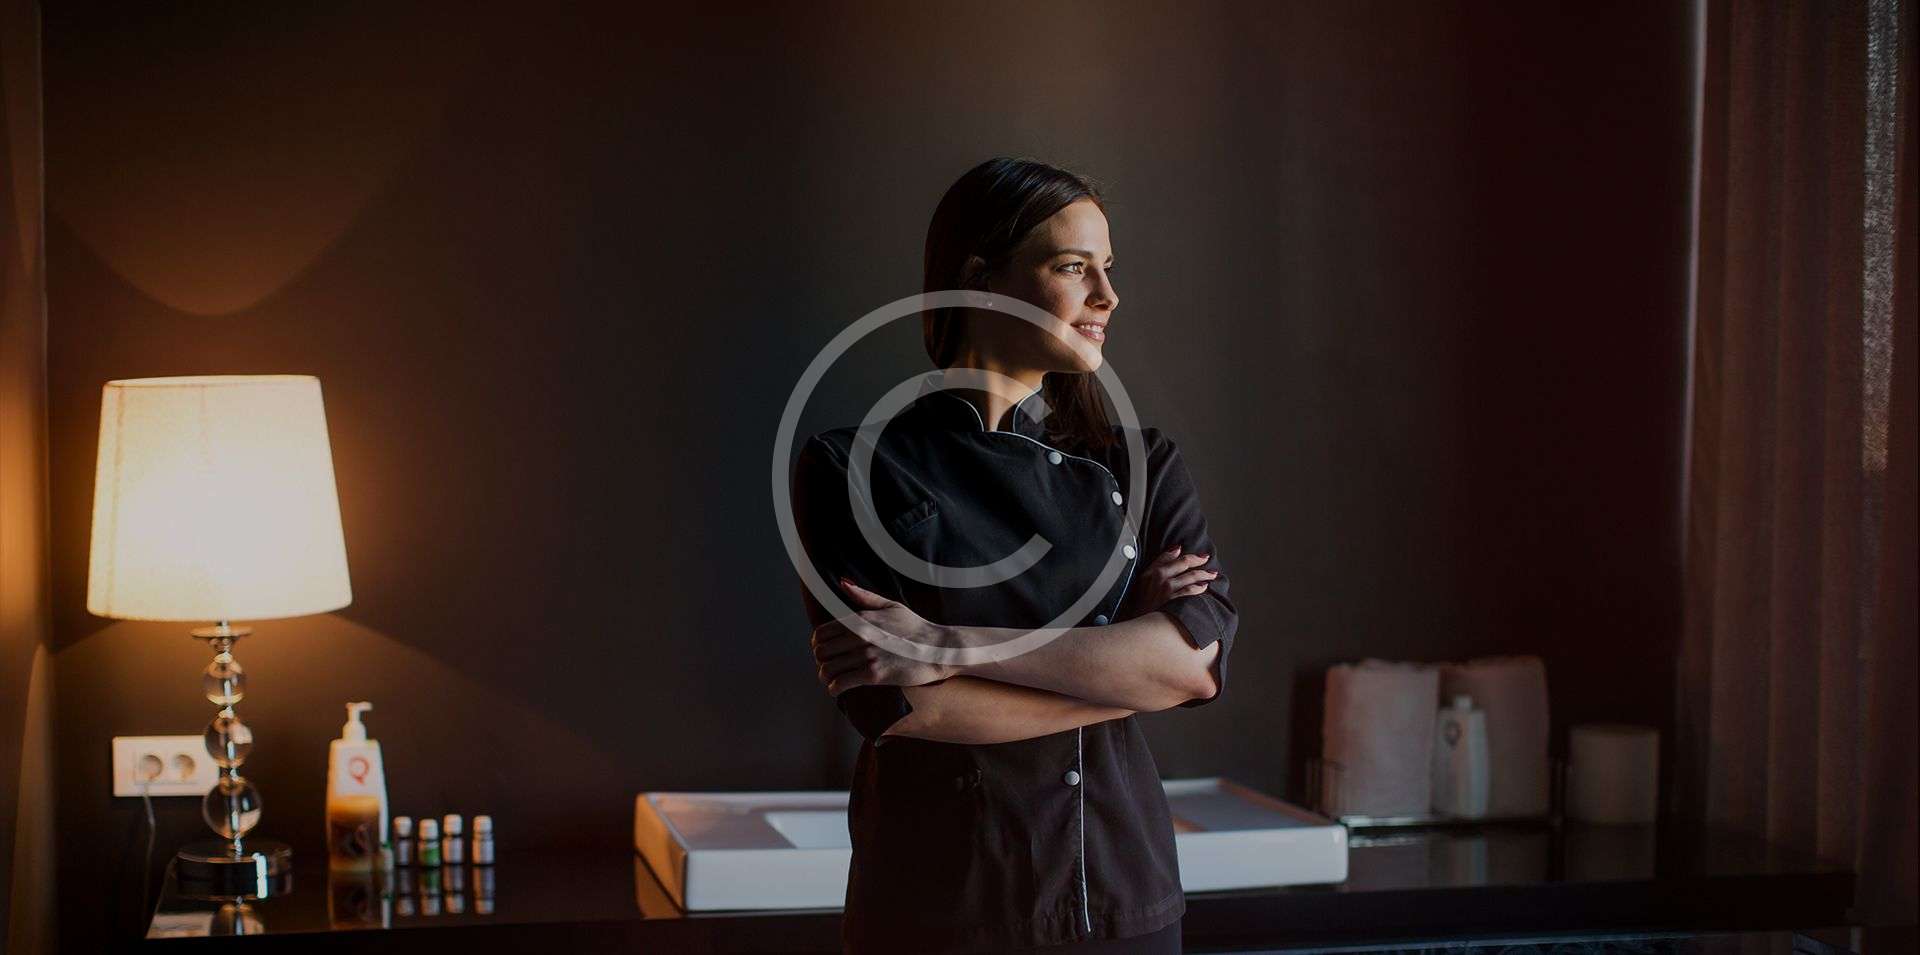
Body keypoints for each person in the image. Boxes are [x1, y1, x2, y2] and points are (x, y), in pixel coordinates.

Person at [790, 157, 1238, 954]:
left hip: (1122, 902)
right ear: (979, 280)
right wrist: (1127, 664)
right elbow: (910, 710)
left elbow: (1194, 665)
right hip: (938, 910)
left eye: (1109, 267)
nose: (1108, 295)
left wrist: (951, 644)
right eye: (1073, 266)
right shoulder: (850, 468)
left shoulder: (1144, 463)